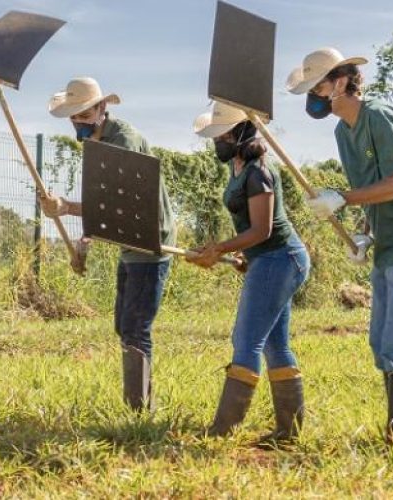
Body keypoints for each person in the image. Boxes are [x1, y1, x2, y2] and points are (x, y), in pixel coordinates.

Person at [287, 48, 393, 444]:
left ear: (343, 81)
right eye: (310, 88)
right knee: (381, 343)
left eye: (319, 85)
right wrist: (366, 233)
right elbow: (371, 184)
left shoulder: (378, 116)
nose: (314, 95)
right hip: (390, 242)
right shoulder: (342, 132)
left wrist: (343, 198)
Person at [40, 77, 176, 411]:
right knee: (123, 324)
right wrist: (83, 243)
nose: (78, 122)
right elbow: (106, 206)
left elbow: (119, 204)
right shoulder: (97, 143)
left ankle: (141, 409)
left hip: (149, 240)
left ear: (102, 108)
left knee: (135, 326)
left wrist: (67, 208)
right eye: (73, 115)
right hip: (127, 239)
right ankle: (142, 400)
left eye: (84, 113)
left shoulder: (123, 141)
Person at [188, 102, 311, 445]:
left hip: (281, 258)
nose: (217, 141)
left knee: (245, 341)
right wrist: (242, 255)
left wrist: (220, 250)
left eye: (223, 134)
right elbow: (253, 235)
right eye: (215, 135)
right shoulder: (238, 167)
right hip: (267, 259)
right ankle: (289, 432)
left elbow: (262, 229)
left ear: (241, 133)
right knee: (274, 343)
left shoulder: (259, 173)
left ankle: (223, 431)